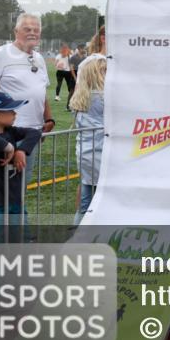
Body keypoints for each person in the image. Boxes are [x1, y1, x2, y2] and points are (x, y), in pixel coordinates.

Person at [0, 14, 54, 189]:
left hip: (31, 135)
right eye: (27, 29)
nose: (33, 33)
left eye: (36, 30)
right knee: (2, 190)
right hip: (8, 135)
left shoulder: (40, 58)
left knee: (20, 188)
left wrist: (48, 119)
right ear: (16, 31)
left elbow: (41, 92)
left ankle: (17, 216)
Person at [0, 91, 42, 235]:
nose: (14, 114)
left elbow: (35, 132)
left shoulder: (10, 131)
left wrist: (22, 150)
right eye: (10, 110)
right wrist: (9, 147)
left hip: (14, 199)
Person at [69, 58, 105, 225]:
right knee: (100, 201)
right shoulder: (101, 97)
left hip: (85, 153)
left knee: (85, 202)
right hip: (100, 153)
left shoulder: (80, 96)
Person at [54, 43, 75, 109]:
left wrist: (58, 66)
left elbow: (55, 64)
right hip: (67, 72)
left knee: (59, 84)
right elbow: (72, 64)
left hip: (59, 71)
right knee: (69, 85)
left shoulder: (58, 56)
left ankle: (57, 96)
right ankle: (71, 96)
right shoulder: (70, 56)